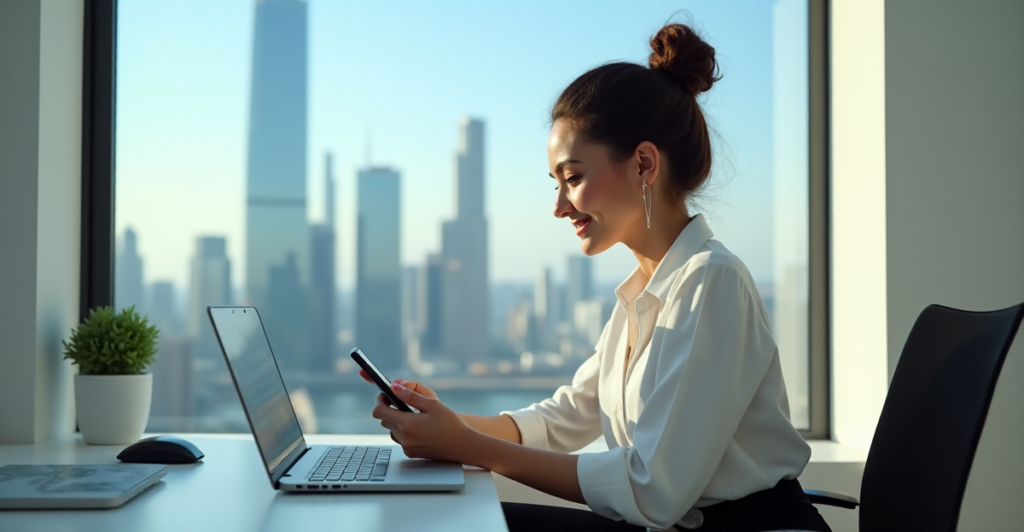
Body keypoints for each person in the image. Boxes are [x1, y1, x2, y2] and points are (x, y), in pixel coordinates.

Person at [359, 22, 831, 532]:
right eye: (556, 184)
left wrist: (467, 446)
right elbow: (565, 419)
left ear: (644, 164)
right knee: (446, 516)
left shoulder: (712, 284)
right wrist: (443, 421)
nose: (560, 207)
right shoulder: (644, 293)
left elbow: (652, 491)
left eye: (574, 178)